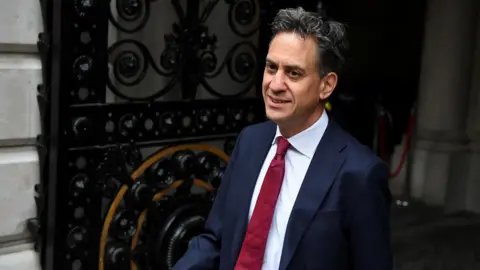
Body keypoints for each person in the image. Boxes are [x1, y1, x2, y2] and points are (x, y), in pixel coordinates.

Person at [173, 7, 392, 270]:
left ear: (327, 85)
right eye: (271, 67)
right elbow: (216, 239)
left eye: (293, 73)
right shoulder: (250, 142)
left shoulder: (360, 173)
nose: (275, 84)